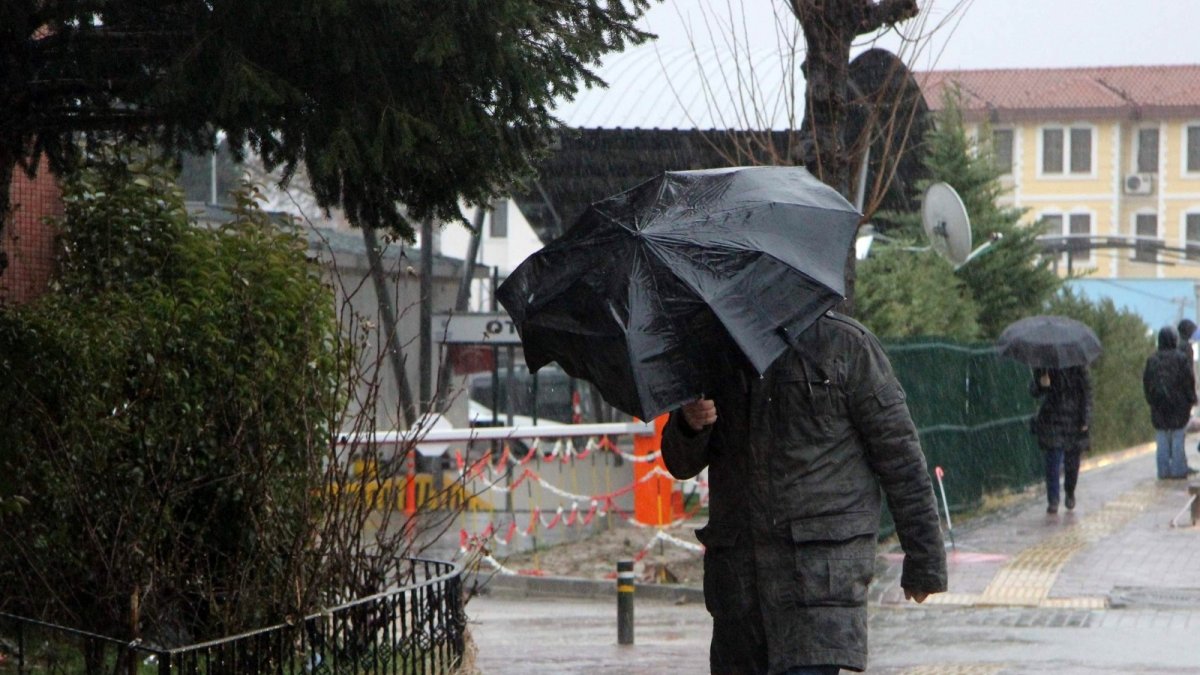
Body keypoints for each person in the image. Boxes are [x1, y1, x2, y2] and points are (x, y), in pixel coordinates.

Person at [661, 310, 947, 675]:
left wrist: (924, 562)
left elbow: (901, 459)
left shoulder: (847, 346)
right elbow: (680, 462)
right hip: (740, 592)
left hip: (817, 586)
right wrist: (689, 424)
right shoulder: (716, 349)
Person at [1029, 365, 1092, 513]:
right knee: (1053, 460)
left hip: (1074, 419)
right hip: (1053, 418)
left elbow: (1087, 394)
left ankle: (1069, 491)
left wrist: (1086, 419)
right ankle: (1053, 499)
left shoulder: (1079, 366)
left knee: (1072, 462)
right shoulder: (1045, 365)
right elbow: (1034, 390)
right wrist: (1041, 384)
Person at [1143, 325, 1197, 479]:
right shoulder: (1181, 359)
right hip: (1179, 408)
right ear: (1174, 340)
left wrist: (1151, 400)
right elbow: (1189, 381)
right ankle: (1178, 471)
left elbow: (1146, 383)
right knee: (1177, 438)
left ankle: (1163, 472)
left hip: (1159, 407)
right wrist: (1191, 399)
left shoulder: (1152, 360)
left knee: (1162, 441)